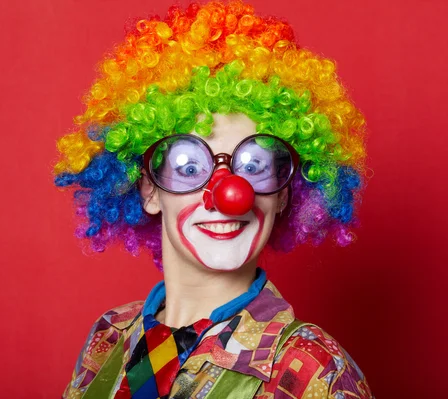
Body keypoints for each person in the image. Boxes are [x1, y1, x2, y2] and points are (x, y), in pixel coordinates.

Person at [54, 1, 373, 398]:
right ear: (149, 190)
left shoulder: (312, 370)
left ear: (284, 194)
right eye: (189, 167)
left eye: (254, 165)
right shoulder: (109, 339)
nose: (228, 193)